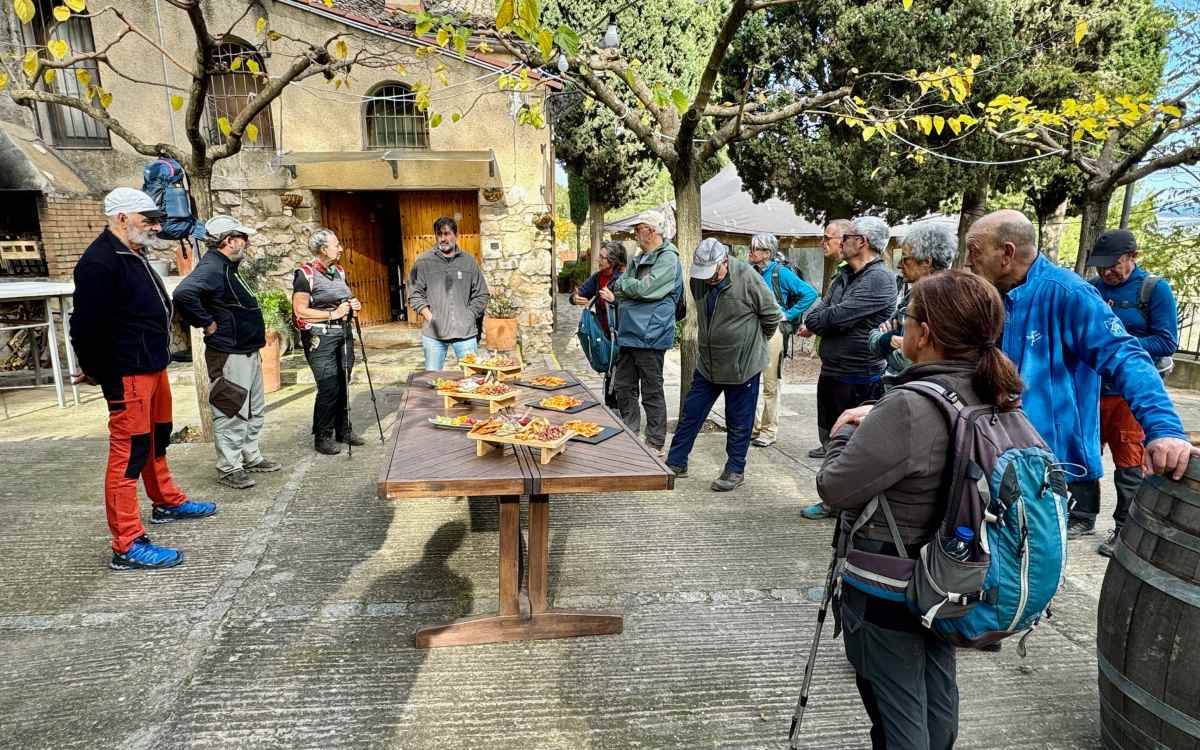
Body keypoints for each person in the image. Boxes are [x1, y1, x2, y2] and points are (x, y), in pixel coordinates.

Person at [817, 271, 1024, 750]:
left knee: (898, 718)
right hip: (954, 578)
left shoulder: (909, 406)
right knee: (937, 700)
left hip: (890, 588)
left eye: (905, 317)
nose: (901, 326)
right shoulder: (996, 393)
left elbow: (834, 487)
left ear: (924, 332)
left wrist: (845, 432)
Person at [965, 210, 1194, 535]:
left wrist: (1166, 428)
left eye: (974, 251)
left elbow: (1125, 356)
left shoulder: (1068, 293)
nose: (968, 261)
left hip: (1044, 465)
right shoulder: (995, 294)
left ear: (1007, 253)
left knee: (1032, 552)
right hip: (997, 453)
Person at [70, 187, 217, 571]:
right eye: (147, 219)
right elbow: (84, 325)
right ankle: (127, 542)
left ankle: (166, 501)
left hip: (152, 365)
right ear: (122, 218)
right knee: (129, 452)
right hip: (127, 372)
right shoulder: (100, 261)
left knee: (157, 439)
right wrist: (95, 369)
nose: (155, 226)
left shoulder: (132, 253)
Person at [1085, 229, 1179, 556]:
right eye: (1101, 266)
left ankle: (1125, 529)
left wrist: (1117, 343)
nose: (1106, 272)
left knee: (1129, 463)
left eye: (1113, 264)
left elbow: (1166, 342)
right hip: (1091, 390)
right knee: (1086, 454)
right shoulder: (1091, 289)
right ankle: (1082, 515)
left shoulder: (1153, 289)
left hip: (1129, 394)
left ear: (1132, 257)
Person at [799, 215, 897, 520]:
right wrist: (827, 319)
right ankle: (834, 497)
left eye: (846, 237)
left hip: (860, 376)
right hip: (832, 371)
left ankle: (844, 502)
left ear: (862, 242)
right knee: (829, 438)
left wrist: (827, 319)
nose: (841, 242)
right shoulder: (844, 276)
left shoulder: (879, 280)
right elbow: (815, 317)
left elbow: (832, 317)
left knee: (852, 444)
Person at [173, 215, 281, 490]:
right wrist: (206, 323)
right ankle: (229, 467)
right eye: (243, 238)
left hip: (246, 350)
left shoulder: (227, 266)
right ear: (229, 241)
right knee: (231, 409)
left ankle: (250, 456)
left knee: (253, 409)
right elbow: (184, 293)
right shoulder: (212, 266)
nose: (247, 242)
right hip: (230, 352)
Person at [665, 239, 781, 490]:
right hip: (709, 362)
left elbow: (772, 315)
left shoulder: (747, 277)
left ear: (724, 262)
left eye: (712, 273)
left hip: (742, 365)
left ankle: (735, 470)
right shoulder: (699, 279)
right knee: (691, 413)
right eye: (703, 274)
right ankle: (676, 462)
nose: (707, 279)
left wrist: (750, 344)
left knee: (738, 420)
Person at [599, 209, 682, 456]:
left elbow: (646, 289)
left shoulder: (668, 258)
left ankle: (655, 443)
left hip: (651, 335)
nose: (635, 233)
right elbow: (621, 287)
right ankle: (631, 434)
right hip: (630, 332)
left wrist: (628, 287)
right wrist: (629, 289)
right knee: (623, 386)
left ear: (652, 231)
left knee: (651, 390)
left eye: (638, 229)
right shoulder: (638, 257)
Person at [291, 227, 365, 455]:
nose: (341, 248)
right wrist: (333, 314)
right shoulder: (305, 274)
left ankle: (343, 429)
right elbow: (300, 311)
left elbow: (344, 300)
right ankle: (322, 435)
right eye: (337, 245)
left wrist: (353, 305)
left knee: (343, 382)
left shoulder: (338, 271)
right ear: (323, 249)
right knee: (329, 386)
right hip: (320, 338)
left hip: (343, 335)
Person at [747, 233, 817, 447]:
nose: (751, 252)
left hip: (774, 331)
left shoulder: (781, 273)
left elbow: (810, 293)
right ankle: (753, 427)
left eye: (755, 249)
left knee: (771, 382)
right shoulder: (751, 271)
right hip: (752, 330)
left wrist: (788, 314)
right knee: (749, 381)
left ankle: (768, 430)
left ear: (767, 253)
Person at [867, 221, 958, 380]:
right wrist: (888, 340)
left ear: (927, 262)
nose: (899, 265)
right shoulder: (912, 295)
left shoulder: (943, 302)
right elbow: (873, 340)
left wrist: (886, 340)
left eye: (904, 258)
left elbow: (907, 361)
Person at [408, 216, 490, 371]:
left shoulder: (468, 261)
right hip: (434, 334)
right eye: (439, 234)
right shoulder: (423, 262)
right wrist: (429, 317)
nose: (443, 238)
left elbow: (482, 293)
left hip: (465, 333)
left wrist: (469, 315)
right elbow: (414, 292)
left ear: (455, 235)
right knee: (432, 379)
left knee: (472, 377)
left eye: (447, 234)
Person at [571, 240, 627, 408]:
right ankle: (612, 410)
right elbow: (579, 293)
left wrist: (614, 300)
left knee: (622, 380)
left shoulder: (623, 278)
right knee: (610, 374)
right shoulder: (598, 278)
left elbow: (632, 306)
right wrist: (575, 298)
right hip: (605, 336)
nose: (598, 260)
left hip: (623, 336)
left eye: (603, 257)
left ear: (613, 261)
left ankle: (623, 413)